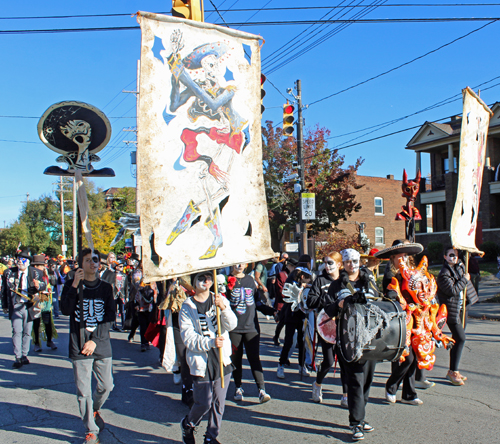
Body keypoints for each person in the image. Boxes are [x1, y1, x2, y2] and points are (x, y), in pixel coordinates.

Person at [60, 248, 115, 444]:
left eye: (95, 260)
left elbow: (110, 317)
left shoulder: (106, 288)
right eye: (88, 260)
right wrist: (75, 284)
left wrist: (95, 340)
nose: (93, 263)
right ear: (80, 264)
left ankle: (94, 409)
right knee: (84, 392)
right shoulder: (71, 285)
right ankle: (91, 429)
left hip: (100, 343)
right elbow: (65, 310)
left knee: (106, 385)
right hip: (79, 344)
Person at [324, 248, 379, 442]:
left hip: (370, 337)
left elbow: (378, 301)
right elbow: (327, 309)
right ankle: (356, 422)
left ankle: (360, 417)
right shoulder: (336, 285)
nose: (351, 265)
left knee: (367, 379)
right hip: (347, 337)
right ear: (343, 264)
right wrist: (339, 305)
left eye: (354, 261)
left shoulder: (369, 280)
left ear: (359, 262)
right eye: (347, 262)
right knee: (355, 379)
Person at [179, 271, 237, 444]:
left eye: (208, 278)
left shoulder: (220, 299)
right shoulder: (187, 306)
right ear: (194, 282)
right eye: (201, 279)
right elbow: (188, 338)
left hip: (222, 359)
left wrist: (224, 308)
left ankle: (211, 436)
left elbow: (232, 324)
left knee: (219, 403)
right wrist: (211, 342)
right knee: (203, 403)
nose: (206, 281)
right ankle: (188, 425)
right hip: (201, 361)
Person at [376, 239, 427, 403]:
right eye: (399, 257)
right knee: (405, 357)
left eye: (405, 256)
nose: (402, 260)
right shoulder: (391, 274)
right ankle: (391, 386)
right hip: (399, 320)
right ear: (393, 259)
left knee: (413, 358)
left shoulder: (414, 273)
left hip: (416, 319)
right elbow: (390, 296)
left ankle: (409, 394)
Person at [227, 264, 275, 403]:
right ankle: (238, 387)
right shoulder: (225, 280)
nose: (239, 265)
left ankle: (261, 390)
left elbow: (257, 303)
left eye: (242, 262)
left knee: (254, 358)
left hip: (251, 327)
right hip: (234, 328)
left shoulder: (251, 280)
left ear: (246, 264)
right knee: (236, 359)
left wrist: (272, 312)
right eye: (237, 262)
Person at [307, 252, 348, 407]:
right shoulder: (320, 280)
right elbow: (311, 300)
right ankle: (317, 384)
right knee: (329, 360)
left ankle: (345, 395)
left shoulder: (345, 279)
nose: (327, 266)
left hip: (344, 326)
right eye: (325, 263)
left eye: (330, 263)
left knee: (344, 361)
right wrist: (328, 301)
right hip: (326, 326)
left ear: (339, 264)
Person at [437, 247, 478, 386]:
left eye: (455, 255)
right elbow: (452, 290)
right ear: (444, 257)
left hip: (461, 308)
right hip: (451, 311)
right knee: (460, 338)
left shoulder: (459, 267)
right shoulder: (444, 273)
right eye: (450, 255)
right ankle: (453, 371)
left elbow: (463, 265)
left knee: (457, 339)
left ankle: (453, 370)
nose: (453, 257)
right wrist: (465, 280)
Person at [2, 249, 46, 368]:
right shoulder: (9, 273)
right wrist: (5, 305)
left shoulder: (36, 273)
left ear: (28, 261)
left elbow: (44, 285)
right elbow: (4, 290)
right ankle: (18, 356)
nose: (20, 262)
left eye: (23, 259)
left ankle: (24, 354)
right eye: (18, 259)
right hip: (16, 305)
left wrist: (39, 285)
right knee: (17, 331)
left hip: (30, 306)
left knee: (27, 332)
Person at [277, 257, 313, 379]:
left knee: (302, 341)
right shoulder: (291, 282)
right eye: (307, 277)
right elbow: (287, 294)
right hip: (291, 315)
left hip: (302, 315)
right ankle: (281, 364)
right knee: (288, 341)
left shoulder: (305, 285)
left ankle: (301, 365)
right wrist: (301, 287)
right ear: (302, 276)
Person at [31, 255, 58, 352]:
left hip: (46, 301)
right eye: (41, 266)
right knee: (36, 323)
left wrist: (50, 276)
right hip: (36, 301)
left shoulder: (46, 275)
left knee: (48, 322)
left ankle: (49, 340)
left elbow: (53, 284)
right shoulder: (31, 275)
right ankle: (37, 343)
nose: (43, 267)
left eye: (43, 265)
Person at [272, 257, 297, 346]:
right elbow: (280, 290)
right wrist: (289, 295)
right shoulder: (281, 275)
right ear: (289, 266)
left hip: (293, 302)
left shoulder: (294, 276)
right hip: (282, 302)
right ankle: (276, 336)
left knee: (292, 322)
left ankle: (294, 340)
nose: (294, 269)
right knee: (281, 321)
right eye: (293, 267)